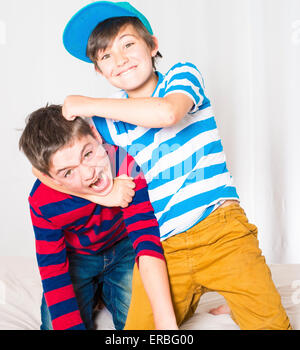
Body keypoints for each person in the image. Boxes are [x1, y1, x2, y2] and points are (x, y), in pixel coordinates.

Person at [40, 1, 291, 330]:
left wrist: (86, 104)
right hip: (160, 248)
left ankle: (235, 291)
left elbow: (167, 114)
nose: (120, 59)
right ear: (99, 71)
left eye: (128, 44)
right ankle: (105, 286)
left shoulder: (180, 76)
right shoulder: (104, 123)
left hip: (221, 231)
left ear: (152, 45)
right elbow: (43, 169)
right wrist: (104, 197)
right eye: (105, 56)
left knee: (271, 325)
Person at [19, 104, 178, 330]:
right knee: (56, 324)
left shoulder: (125, 164)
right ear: (50, 178)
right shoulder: (43, 201)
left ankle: (105, 291)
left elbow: (146, 239)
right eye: (67, 172)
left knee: (141, 321)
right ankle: (95, 292)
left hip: (124, 250)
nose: (89, 173)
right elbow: (53, 268)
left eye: (88, 153)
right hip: (78, 259)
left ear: (95, 136)